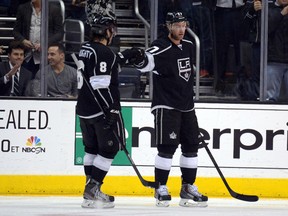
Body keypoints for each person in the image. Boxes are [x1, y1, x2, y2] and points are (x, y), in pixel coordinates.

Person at [123, 11, 208, 207]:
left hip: (187, 107)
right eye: (177, 25)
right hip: (166, 105)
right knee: (167, 148)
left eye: (184, 25)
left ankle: (188, 187)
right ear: (168, 26)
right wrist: (138, 58)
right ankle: (160, 186)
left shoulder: (188, 45)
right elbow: (146, 62)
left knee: (191, 147)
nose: (181, 29)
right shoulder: (160, 46)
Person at [76, 12, 126, 208]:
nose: (112, 32)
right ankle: (93, 187)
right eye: (111, 28)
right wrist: (112, 110)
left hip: (84, 108)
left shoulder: (84, 49)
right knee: (110, 148)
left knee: (91, 148)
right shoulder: (105, 53)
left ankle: (89, 191)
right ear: (106, 31)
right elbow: (101, 84)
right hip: (99, 110)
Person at [13, 0, 64, 77]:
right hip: (27, 55)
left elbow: (59, 33)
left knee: (45, 82)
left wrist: (45, 43)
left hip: (46, 56)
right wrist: (23, 40)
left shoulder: (54, 9)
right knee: (26, 83)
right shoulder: (23, 8)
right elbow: (16, 31)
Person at [214, 0, 245, 95]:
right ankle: (220, 81)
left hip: (241, 9)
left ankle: (242, 82)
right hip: (222, 10)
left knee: (240, 48)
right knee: (222, 48)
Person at [266, 0, 288, 101]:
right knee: (270, 97)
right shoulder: (267, 9)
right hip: (273, 59)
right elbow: (266, 29)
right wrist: (281, 14)